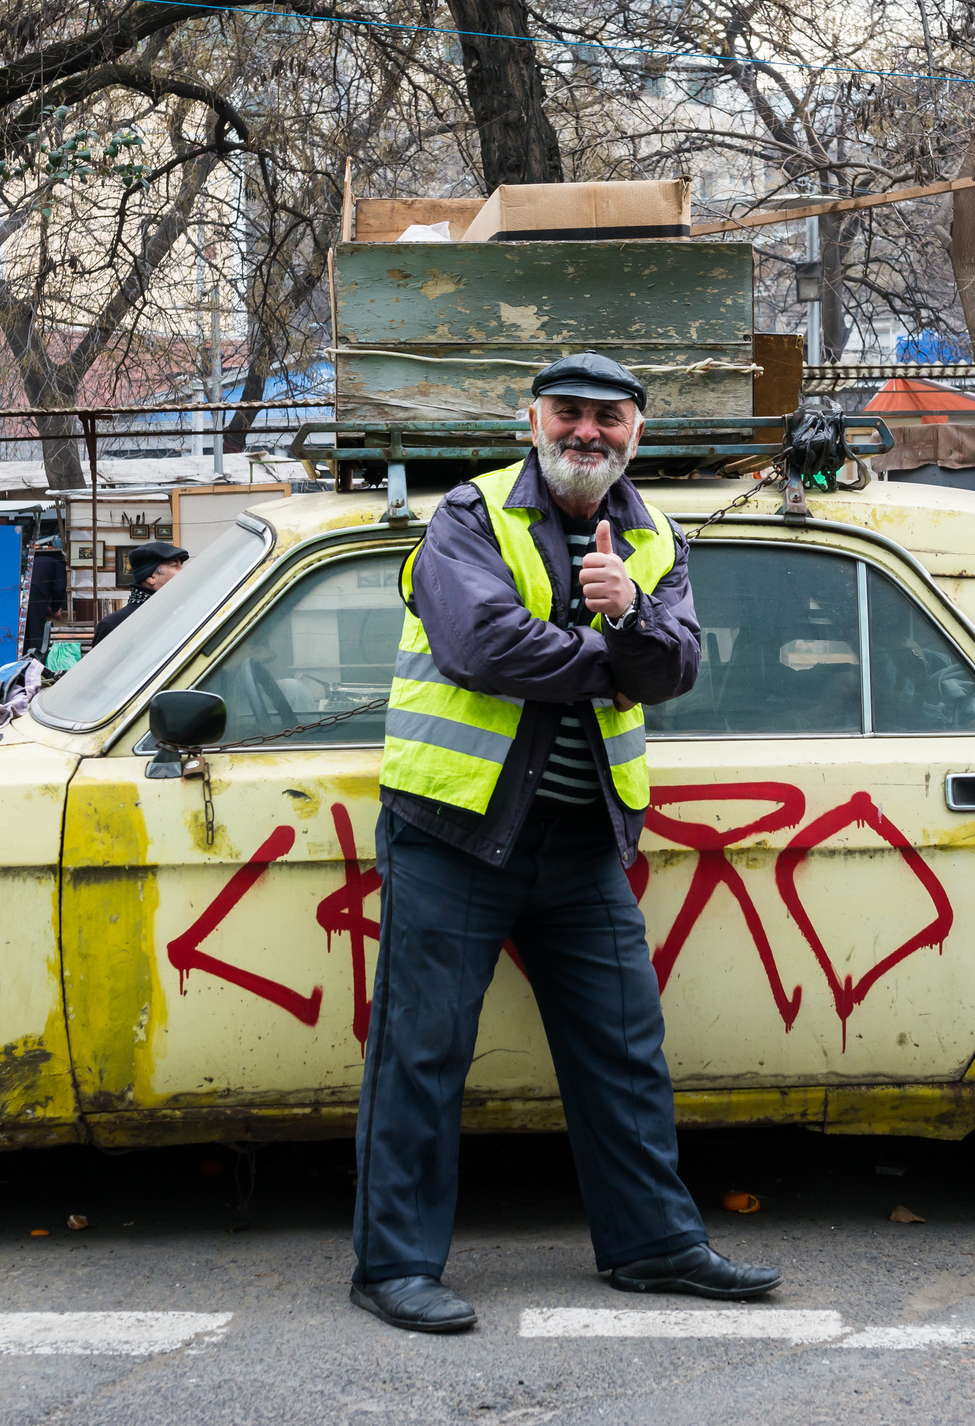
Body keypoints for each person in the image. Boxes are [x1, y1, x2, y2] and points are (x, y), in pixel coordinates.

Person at [352, 350, 777, 1334]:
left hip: (584, 839)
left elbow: (674, 665)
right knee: (421, 1050)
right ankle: (395, 1264)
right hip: (452, 831)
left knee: (623, 1048)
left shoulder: (653, 532)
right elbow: (483, 646)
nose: (588, 430)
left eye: (609, 416)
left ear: (638, 429)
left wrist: (627, 613)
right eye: (569, 412)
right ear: (529, 418)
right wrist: (612, 654)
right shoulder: (471, 513)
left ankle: (651, 1243)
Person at [89, 541, 188, 648]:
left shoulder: (179, 614)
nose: (183, 570)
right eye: (175, 566)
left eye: (181, 565)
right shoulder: (114, 626)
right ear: (151, 577)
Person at [24, 536, 69, 656]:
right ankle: (35, 659)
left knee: (25, 629)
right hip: (36, 590)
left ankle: (23, 657)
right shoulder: (59, 566)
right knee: (36, 629)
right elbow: (59, 588)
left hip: (24, 587)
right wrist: (55, 609)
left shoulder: (38, 561)